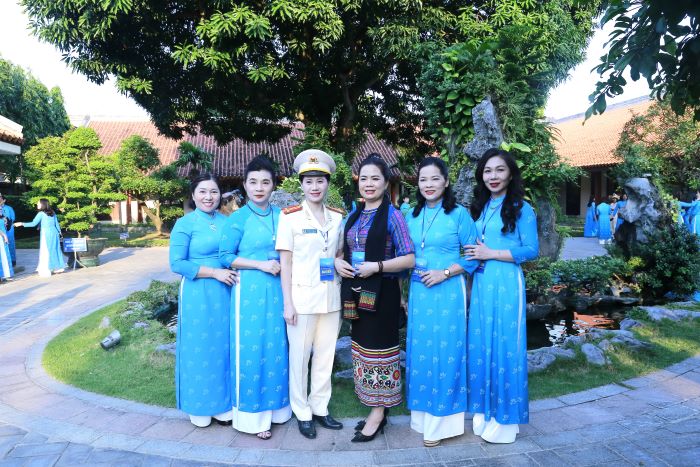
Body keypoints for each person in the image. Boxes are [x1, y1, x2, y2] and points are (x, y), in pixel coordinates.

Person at [335, 154, 415, 443]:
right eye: (364, 178)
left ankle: (379, 413)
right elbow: (342, 250)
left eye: (375, 178)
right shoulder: (354, 215)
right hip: (357, 294)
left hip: (383, 295)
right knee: (362, 350)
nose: (369, 184)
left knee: (380, 352)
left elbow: (409, 258)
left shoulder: (393, 216)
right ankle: (375, 405)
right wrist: (338, 262)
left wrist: (378, 266)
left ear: (385, 182)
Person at [465, 148, 539, 444]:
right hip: (482, 284)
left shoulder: (522, 208)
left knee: (505, 347)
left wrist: (490, 253)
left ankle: (505, 420)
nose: (493, 176)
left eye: (499, 170)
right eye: (487, 171)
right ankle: (485, 412)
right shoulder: (483, 206)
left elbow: (531, 250)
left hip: (506, 283)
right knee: (482, 345)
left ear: (510, 174)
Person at [404, 157, 478, 447]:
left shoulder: (459, 215)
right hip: (419, 291)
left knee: (447, 350)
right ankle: (421, 418)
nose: (429, 184)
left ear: (446, 182)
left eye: (435, 178)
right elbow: (404, 254)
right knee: (421, 350)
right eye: (423, 179)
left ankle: (441, 424)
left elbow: (473, 255)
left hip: (448, 291)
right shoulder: (410, 215)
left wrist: (444, 273)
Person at [219, 156, 291, 439]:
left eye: (265, 182)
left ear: (274, 185)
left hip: (278, 290)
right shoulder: (238, 219)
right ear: (245, 185)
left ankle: (278, 411)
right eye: (253, 182)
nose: (259, 188)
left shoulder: (283, 216)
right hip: (248, 291)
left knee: (276, 348)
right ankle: (253, 419)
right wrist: (260, 264)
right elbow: (226, 257)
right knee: (251, 349)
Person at [276, 149, 345, 440]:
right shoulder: (289, 217)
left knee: (325, 357)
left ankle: (320, 407)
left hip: (331, 298)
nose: (315, 187)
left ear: (327, 183)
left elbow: (339, 254)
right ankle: (302, 412)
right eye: (309, 181)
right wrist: (288, 304)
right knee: (300, 358)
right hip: (302, 300)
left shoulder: (338, 217)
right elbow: (286, 263)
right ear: (301, 185)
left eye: (320, 181)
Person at [169, 173, 238, 428]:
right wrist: (214, 272)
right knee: (199, 344)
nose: (209, 197)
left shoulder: (227, 222)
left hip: (226, 290)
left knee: (223, 345)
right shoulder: (185, 223)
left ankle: (222, 403)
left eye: (213, 191)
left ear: (221, 195)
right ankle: (199, 404)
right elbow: (177, 263)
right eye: (203, 191)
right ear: (193, 194)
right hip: (198, 291)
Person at [14, 199, 66, 277]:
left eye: (38, 203)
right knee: (55, 250)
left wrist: (21, 223)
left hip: (46, 234)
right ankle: (58, 268)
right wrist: (60, 233)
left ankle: (47, 269)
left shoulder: (41, 214)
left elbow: (33, 224)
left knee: (46, 251)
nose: (37, 205)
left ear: (43, 204)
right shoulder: (52, 212)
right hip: (54, 233)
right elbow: (56, 224)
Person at [0, 194, 16, 266]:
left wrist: (7, 222)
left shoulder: (9, 208)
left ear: (4, 200)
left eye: (0, 198)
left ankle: (12, 260)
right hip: (1, 228)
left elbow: (13, 218)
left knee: (10, 243)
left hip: (9, 228)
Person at [0, 214, 13, 281]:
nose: (1, 210)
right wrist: (4, 236)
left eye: (1, 209)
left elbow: (7, 227)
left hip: (3, 237)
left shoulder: (3, 217)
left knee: (4, 255)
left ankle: (6, 274)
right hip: (1, 237)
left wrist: (6, 222)